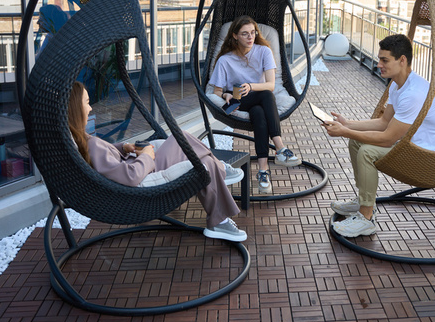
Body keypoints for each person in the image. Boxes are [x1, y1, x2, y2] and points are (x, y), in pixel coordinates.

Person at [68, 81, 247, 242]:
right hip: (145, 172)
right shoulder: (90, 146)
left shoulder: (83, 141)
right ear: (76, 108)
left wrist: (123, 147)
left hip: (139, 165)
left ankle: (220, 197)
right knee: (184, 141)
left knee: (194, 151)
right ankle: (220, 174)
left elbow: (107, 160)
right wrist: (146, 155)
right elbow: (129, 176)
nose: (90, 108)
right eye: (86, 102)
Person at [323, 34, 435, 238]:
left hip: (429, 155)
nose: (378, 64)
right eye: (379, 59)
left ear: (402, 60)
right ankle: (364, 200)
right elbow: (384, 123)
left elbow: (388, 138)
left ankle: (366, 218)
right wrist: (348, 124)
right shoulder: (397, 84)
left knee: (366, 151)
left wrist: (344, 131)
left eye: (385, 60)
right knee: (356, 140)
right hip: (413, 145)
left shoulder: (414, 93)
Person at [209, 15, 301, 194]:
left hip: (260, 98)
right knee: (265, 96)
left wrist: (250, 86)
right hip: (237, 100)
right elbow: (216, 92)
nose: (250, 37)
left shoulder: (264, 51)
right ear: (235, 36)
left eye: (253, 33)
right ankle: (280, 148)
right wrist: (227, 94)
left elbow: (271, 85)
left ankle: (262, 171)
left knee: (259, 112)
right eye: (245, 34)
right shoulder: (225, 60)